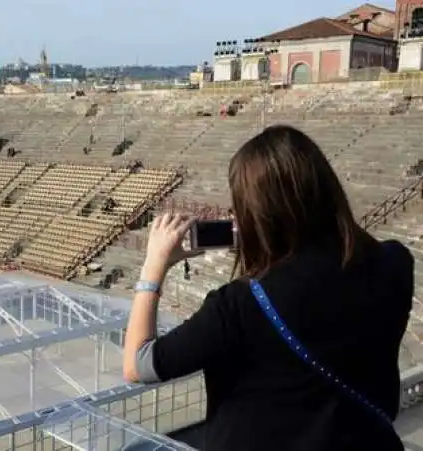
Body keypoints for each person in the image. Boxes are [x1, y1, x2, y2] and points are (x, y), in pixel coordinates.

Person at [122, 125, 413, 451]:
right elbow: (320, 281)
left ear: (257, 215)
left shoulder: (239, 307)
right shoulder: (395, 263)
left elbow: (138, 364)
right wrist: (262, 243)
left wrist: (153, 265)